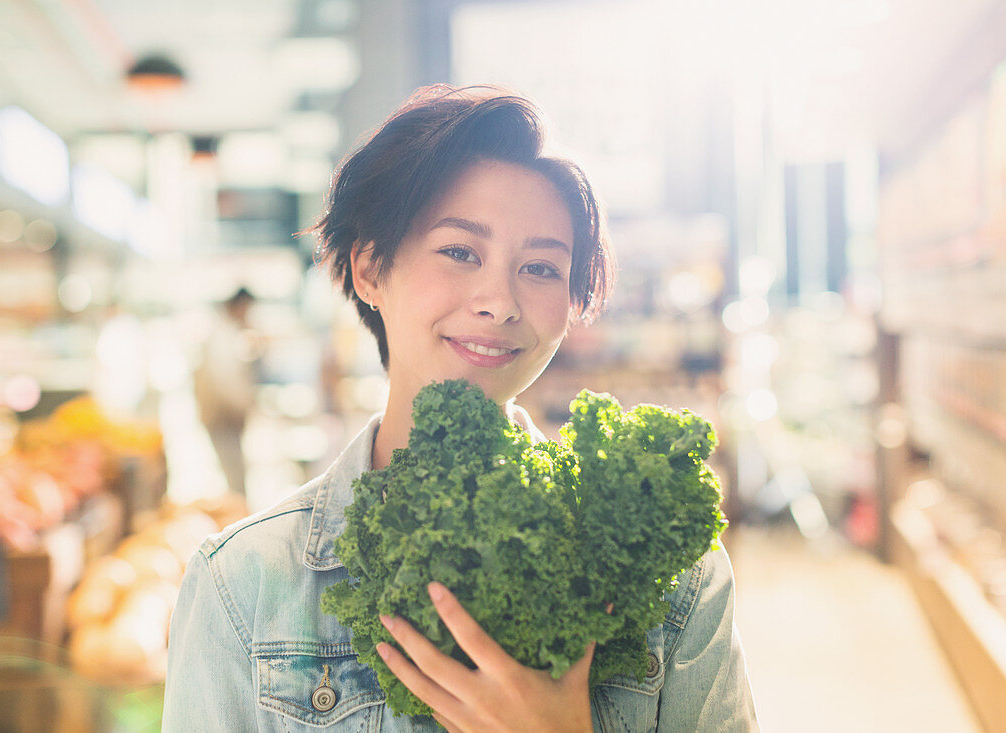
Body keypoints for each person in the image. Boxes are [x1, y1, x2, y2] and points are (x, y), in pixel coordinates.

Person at [163, 85, 759, 732]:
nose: (499, 301)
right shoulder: (244, 585)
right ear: (369, 268)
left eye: (540, 268)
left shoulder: (673, 579)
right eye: (459, 252)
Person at [193, 286, 258, 499]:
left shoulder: (224, 331)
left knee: (234, 474)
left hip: (223, 416)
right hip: (223, 417)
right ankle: (239, 522)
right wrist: (243, 406)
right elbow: (227, 382)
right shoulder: (224, 335)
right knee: (234, 476)